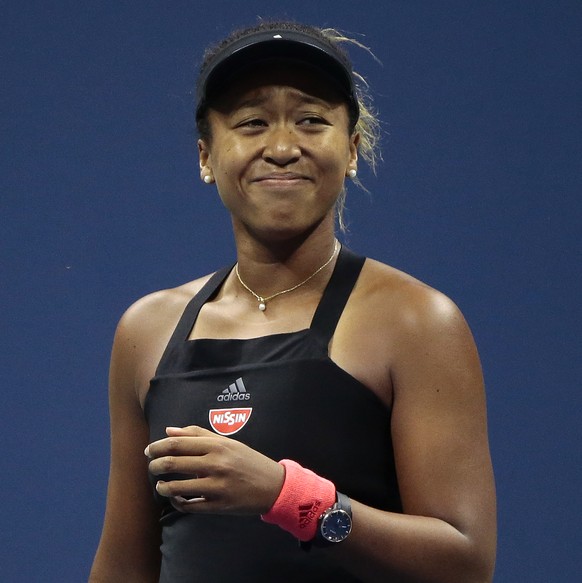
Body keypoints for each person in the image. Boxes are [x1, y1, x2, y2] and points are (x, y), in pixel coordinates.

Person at [89, 20, 496, 583]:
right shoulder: (146, 330)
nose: (282, 148)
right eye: (252, 123)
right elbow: (123, 567)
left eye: (312, 120)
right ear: (206, 156)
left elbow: (466, 563)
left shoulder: (415, 322)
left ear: (351, 150)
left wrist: (287, 497)